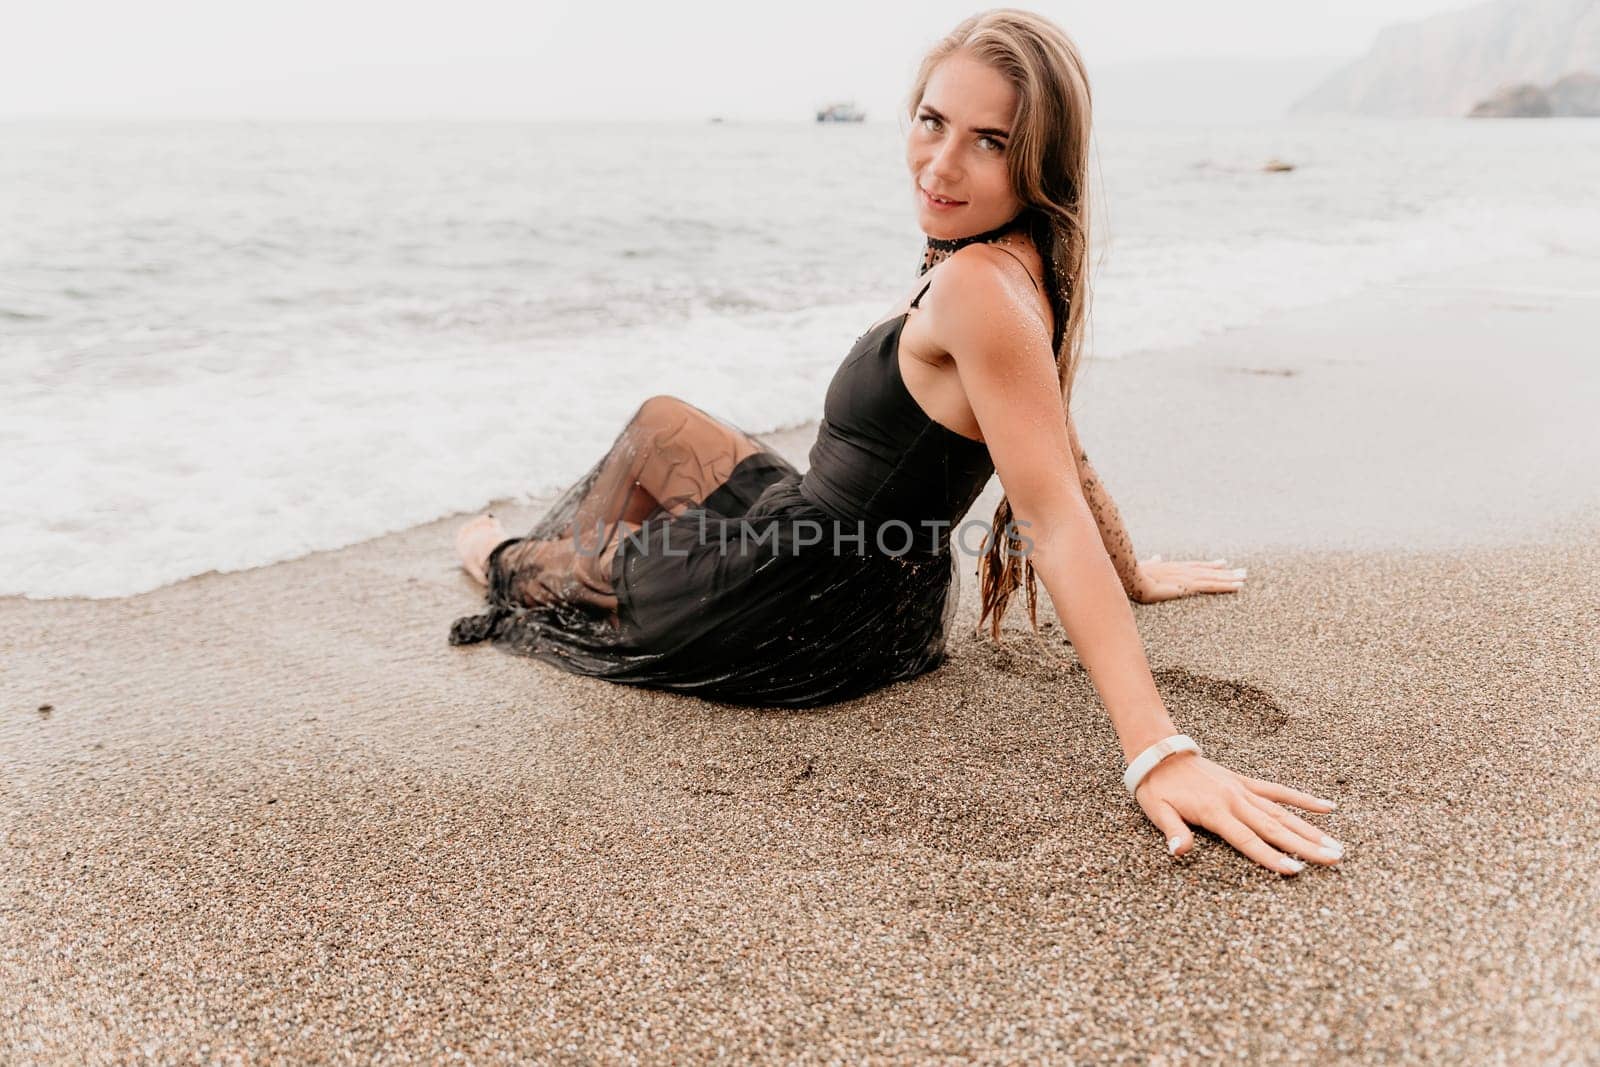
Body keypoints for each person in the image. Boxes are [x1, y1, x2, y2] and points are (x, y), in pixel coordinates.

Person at [450, 8, 1344, 876]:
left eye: (989, 141)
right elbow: (1060, 448)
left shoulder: (978, 290)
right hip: (881, 596)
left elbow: (1050, 512)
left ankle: (521, 560)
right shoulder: (1021, 260)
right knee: (660, 423)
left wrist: (1160, 749)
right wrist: (1135, 572)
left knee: (555, 565)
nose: (942, 164)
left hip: (801, 596)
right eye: (931, 121)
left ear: (1039, 160)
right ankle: (595, 565)